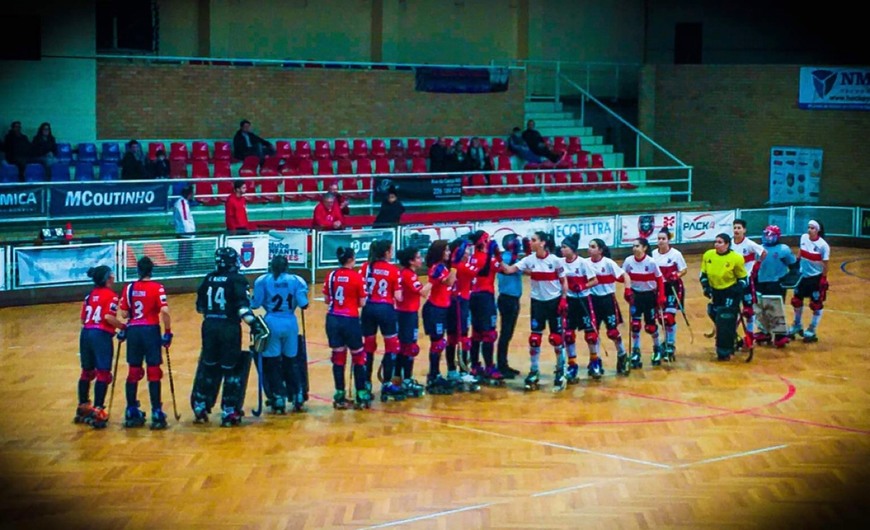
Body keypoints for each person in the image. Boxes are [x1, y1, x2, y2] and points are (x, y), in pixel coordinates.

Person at [191, 247, 267, 426]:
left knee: (208, 366)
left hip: (209, 326)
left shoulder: (208, 278)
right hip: (229, 328)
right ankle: (229, 410)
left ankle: (200, 405)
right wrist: (254, 324)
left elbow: (200, 307)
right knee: (231, 368)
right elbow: (242, 309)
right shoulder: (237, 280)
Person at [500, 231, 569, 391]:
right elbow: (509, 270)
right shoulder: (529, 260)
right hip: (537, 303)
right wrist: (497, 258)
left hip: (554, 302)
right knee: (534, 339)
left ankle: (560, 369)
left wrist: (564, 299)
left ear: (543, 243)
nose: (530, 242)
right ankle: (534, 370)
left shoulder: (555, 261)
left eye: (534, 240)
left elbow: (563, 281)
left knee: (557, 339)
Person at [117, 257, 172, 429]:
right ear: (151, 270)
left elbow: (124, 314)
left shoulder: (129, 288)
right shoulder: (158, 288)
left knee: (133, 371)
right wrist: (168, 332)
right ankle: (156, 411)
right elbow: (164, 310)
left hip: (134, 332)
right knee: (154, 371)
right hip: (150, 331)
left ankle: (131, 409)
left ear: (138, 270)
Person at [251, 255, 310, 413]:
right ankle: (297, 394)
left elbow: (255, 304)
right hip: (290, 322)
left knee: (272, 362)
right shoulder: (297, 280)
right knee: (292, 361)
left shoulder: (262, 280)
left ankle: (278, 397)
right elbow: (304, 304)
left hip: (271, 322)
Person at [75, 265, 125, 429]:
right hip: (100, 336)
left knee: (87, 372)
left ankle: (83, 406)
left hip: (86, 333)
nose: (113, 277)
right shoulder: (111, 296)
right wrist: (124, 327)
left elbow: (83, 320)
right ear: (107, 278)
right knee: (103, 373)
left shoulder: (89, 296)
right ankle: (99, 409)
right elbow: (108, 317)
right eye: (111, 275)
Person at [323, 246, 370, 409]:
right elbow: (363, 302)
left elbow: (327, 300)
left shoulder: (331, 275)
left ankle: (340, 393)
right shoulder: (357, 277)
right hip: (350, 319)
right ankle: (361, 393)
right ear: (351, 259)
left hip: (333, 319)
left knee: (338, 357)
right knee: (358, 356)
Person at [359, 240, 403, 401]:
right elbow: (398, 296)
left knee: (368, 346)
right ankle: (387, 384)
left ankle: (366, 382)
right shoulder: (393, 270)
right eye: (390, 250)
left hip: (368, 309)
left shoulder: (365, 267)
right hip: (385, 309)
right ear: (386, 253)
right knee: (391, 345)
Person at [700, 233, 749, 361]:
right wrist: (706, 286)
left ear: (727, 244)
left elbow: (743, 278)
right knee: (713, 312)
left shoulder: (736, 258)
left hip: (730, 292)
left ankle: (724, 350)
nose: (716, 244)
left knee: (725, 318)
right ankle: (732, 337)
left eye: (720, 242)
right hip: (716, 291)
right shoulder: (708, 255)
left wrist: (738, 288)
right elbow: (703, 274)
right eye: (715, 241)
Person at [559, 233, 600, 381]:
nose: (562, 250)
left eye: (564, 247)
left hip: (583, 300)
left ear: (572, 249)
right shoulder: (560, 263)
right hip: (569, 301)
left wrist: (583, 286)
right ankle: (572, 365)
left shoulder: (583, 263)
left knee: (590, 335)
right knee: (569, 335)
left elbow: (595, 280)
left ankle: (594, 362)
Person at [586, 238, 630, 374]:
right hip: (592, 301)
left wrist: (628, 289)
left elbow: (625, 276)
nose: (590, 249)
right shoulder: (585, 263)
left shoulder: (608, 263)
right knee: (592, 334)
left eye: (593, 247)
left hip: (608, 301)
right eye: (589, 246)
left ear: (600, 250)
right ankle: (595, 361)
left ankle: (622, 355)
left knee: (613, 332)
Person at [467, 230, 504, 384]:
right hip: (486, 298)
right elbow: (503, 268)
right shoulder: (487, 258)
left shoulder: (470, 258)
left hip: (472, 297)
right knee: (489, 333)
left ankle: (475, 365)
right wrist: (497, 254)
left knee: (476, 333)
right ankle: (490, 367)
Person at [623, 238, 667, 368]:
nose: (634, 248)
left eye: (637, 246)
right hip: (636, 295)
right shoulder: (628, 261)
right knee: (635, 325)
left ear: (644, 248)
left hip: (649, 296)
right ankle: (636, 352)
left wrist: (661, 296)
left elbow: (659, 279)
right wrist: (627, 290)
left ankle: (657, 348)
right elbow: (623, 275)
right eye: (633, 246)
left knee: (650, 326)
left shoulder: (651, 262)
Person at [421, 240, 456, 394]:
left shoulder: (442, 267)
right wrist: (455, 266)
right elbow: (449, 282)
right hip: (435, 309)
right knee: (437, 343)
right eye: (446, 251)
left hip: (443, 308)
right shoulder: (438, 268)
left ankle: (435, 374)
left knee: (439, 342)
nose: (448, 253)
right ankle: (433, 375)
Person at [395, 247, 431, 398]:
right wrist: (433, 280)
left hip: (408, 314)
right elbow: (423, 292)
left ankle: (400, 378)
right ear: (410, 261)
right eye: (417, 257)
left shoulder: (409, 274)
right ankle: (405, 379)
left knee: (406, 347)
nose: (420, 259)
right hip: (406, 315)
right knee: (408, 347)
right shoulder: (408, 275)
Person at [755, 225, 797, 347]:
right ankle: (764, 331)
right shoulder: (759, 249)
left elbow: (793, 265)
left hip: (776, 283)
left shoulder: (783, 250)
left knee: (775, 308)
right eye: (766, 234)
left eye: (771, 235)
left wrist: (788, 281)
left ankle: (780, 335)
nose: (768, 238)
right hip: (760, 281)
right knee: (760, 307)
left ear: (777, 237)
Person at [445, 236, 478, 389]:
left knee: (452, 338)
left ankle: (452, 370)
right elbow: (478, 271)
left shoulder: (451, 266)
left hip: (453, 302)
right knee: (462, 337)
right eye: (465, 251)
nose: (468, 254)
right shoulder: (463, 267)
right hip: (460, 302)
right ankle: (463, 371)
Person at [790, 220, 830, 343]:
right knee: (796, 301)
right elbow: (801, 250)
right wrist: (797, 261)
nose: (809, 230)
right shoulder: (803, 237)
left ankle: (812, 329)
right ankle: (797, 324)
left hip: (815, 278)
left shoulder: (823, 246)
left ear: (818, 230)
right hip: (802, 276)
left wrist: (823, 278)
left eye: (812, 228)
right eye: (808, 227)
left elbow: (826, 264)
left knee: (816, 304)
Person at [652, 227, 688, 360]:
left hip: (673, 287)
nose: (661, 241)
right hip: (659, 288)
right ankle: (666, 340)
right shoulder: (653, 254)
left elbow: (684, 269)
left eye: (663, 239)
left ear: (668, 240)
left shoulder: (675, 254)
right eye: (659, 239)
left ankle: (671, 344)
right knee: (661, 318)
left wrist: (676, 275)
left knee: (669, 316)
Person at [732, 219, 766, 341]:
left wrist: (757, 265)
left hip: (746, 280)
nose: (736, 230)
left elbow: (763, 252)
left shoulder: (749, 244)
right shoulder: (729, 244)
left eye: (739, 228)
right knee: (732, 309)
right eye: (735, 228)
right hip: (732, 281)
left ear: (744, 230)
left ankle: (749, 335)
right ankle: (731, 334)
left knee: (748, 310)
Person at [496, 234, 524, 379]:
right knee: (506, 333)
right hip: (508, 299)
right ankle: (501, 364)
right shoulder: (507, 259)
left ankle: (503, 363)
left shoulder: (511, 259)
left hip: (512, 299)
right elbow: (512, 269)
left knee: (507, 334)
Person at [173, 185, 196, 271]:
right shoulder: (182, 203)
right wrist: (190, 234)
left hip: (185, 232)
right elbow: (185, 219)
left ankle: (185, 267)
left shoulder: (183, 202)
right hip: (185, 233)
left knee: (188, 251)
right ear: (189, 194)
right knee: (184, 251)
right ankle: (181, 269)